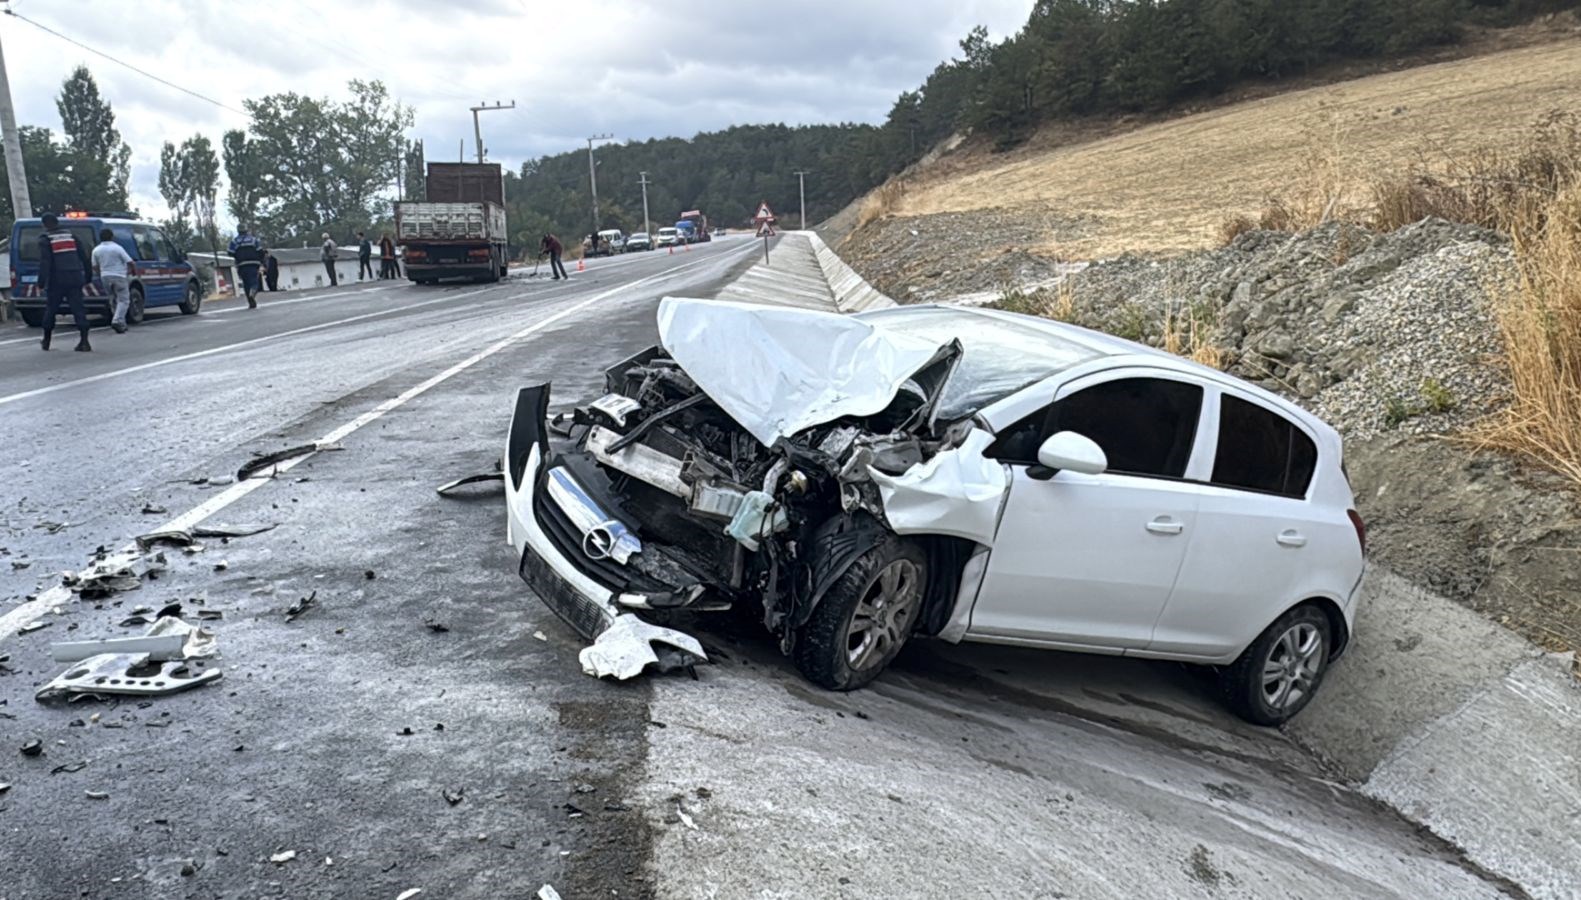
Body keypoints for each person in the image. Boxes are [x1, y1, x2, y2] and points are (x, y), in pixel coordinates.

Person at [36, 214, 92, 352]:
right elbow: (85, 258)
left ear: (45, 224)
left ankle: (46, 340)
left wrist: (41, 282)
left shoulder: (46, 239)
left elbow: (45, 262)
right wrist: (88, 276)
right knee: (78, 309)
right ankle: (84, 341)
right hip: (75, 277)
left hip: (57, 279)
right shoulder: (72, 236)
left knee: (51, 309)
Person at [92, 227, 134, 333]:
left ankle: (121, 323)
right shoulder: (117, 248)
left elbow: (94, 266)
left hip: (105, 276)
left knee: (113, 298)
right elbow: (130, 262)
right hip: (119, 276)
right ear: (112, 237)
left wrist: (101, 273)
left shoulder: (96, 250)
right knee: (124, 300)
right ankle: (117, 320)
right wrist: (132, 271)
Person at [228, 226, 266, 309]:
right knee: (254, 282)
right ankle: (253, 293)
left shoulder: (234, 241)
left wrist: (238, 255)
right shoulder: (253, 240)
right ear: (246, 230)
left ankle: (250, 301)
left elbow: (230, 252)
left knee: (246, 283)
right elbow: (260, 251)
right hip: (254, 263)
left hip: (242, 264)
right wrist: (262, 261)